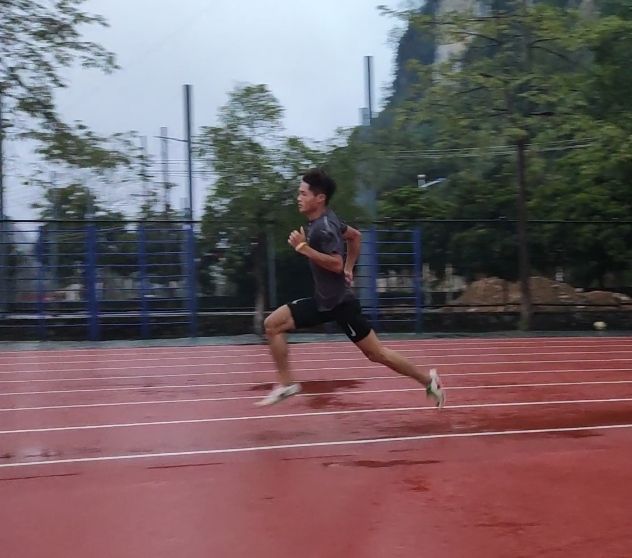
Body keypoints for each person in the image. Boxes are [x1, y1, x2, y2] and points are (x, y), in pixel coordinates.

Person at [257, 168, 445, 408]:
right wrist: (349, 268)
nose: (298, 198)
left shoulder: (323, 228)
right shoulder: (327, 220)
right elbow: (355, 236)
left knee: (376, 354)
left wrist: (305, 249)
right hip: (327, 302)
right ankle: (286, 384)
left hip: (338, 305)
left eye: (303, 194)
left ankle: (428, 380)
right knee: (273, 325)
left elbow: (335, 262)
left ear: (319, 198)